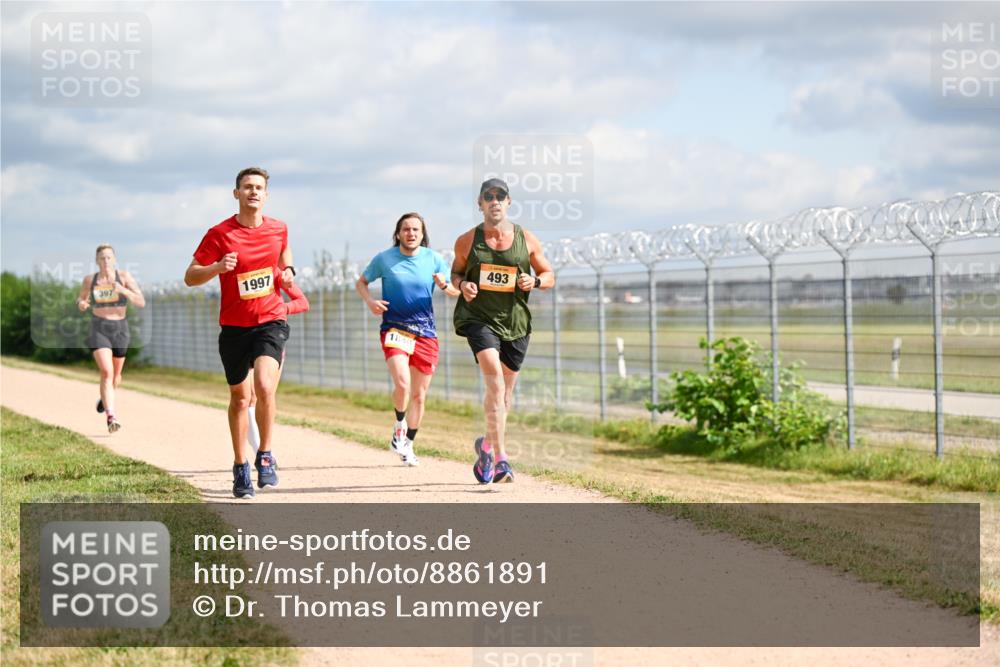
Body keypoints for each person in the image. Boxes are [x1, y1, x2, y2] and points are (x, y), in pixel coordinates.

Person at [184, 167, 296, 499]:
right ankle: (240, 465)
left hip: (270, 320)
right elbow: (190, 276)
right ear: (236, 193)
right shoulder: (220, 233)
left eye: (259, 187)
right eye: (247, 187)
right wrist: (217, 268)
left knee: (264, 386)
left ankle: (265, 455)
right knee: (239, 398)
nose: (253, 192)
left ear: (266, 194)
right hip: (234, 326)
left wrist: (288, 269)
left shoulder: (278, 228)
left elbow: (284, 251)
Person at [451, 179, 555, 484]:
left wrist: (534, 282)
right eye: (488, 196)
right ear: (480, 204)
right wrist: (462, 285)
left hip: (516, 323)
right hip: (478, 319)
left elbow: (548, 274)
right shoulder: (467, 241)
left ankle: (485, 445)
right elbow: (455, 273)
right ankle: (501, 460)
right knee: (495, 384)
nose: (494, 201)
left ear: (509, 202)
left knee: (506, 395)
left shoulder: (527, 239)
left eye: (500, 196)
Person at [356, 212, 460, 467]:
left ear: (422, 234)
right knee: (403, 384)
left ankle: (409, 444)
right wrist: (370, 301)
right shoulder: (385, 258)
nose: (411, 233)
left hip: (425, 332)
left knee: (420, 396)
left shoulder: (434, 259)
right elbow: (362, 282)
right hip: (395, 329)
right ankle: (399, 423)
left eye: (416, 229)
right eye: (406, 229)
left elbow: (455, 292)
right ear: (398, 233)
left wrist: (443, 285)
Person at [76, 244, 145, 433]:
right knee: (106, 372)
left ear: (114, 260)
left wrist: (124, 291)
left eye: (108, 258)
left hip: (120, 329)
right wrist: (81, 303)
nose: (105, 261)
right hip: (99, 327)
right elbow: (80, 299)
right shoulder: (90, 280)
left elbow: (141, 302)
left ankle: (105, 398)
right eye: (102, 258)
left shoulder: (124, 277)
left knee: (115, 376)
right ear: (97, 261)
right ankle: (111, 417)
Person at [247, 273, 309, 455]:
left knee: (266, 393)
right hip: (245, 336)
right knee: (249, 397)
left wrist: (280, 307)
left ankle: (263, 450)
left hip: (271, 340)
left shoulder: (276, 273)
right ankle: (259, 448)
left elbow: (303, 302)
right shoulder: (242, 270)